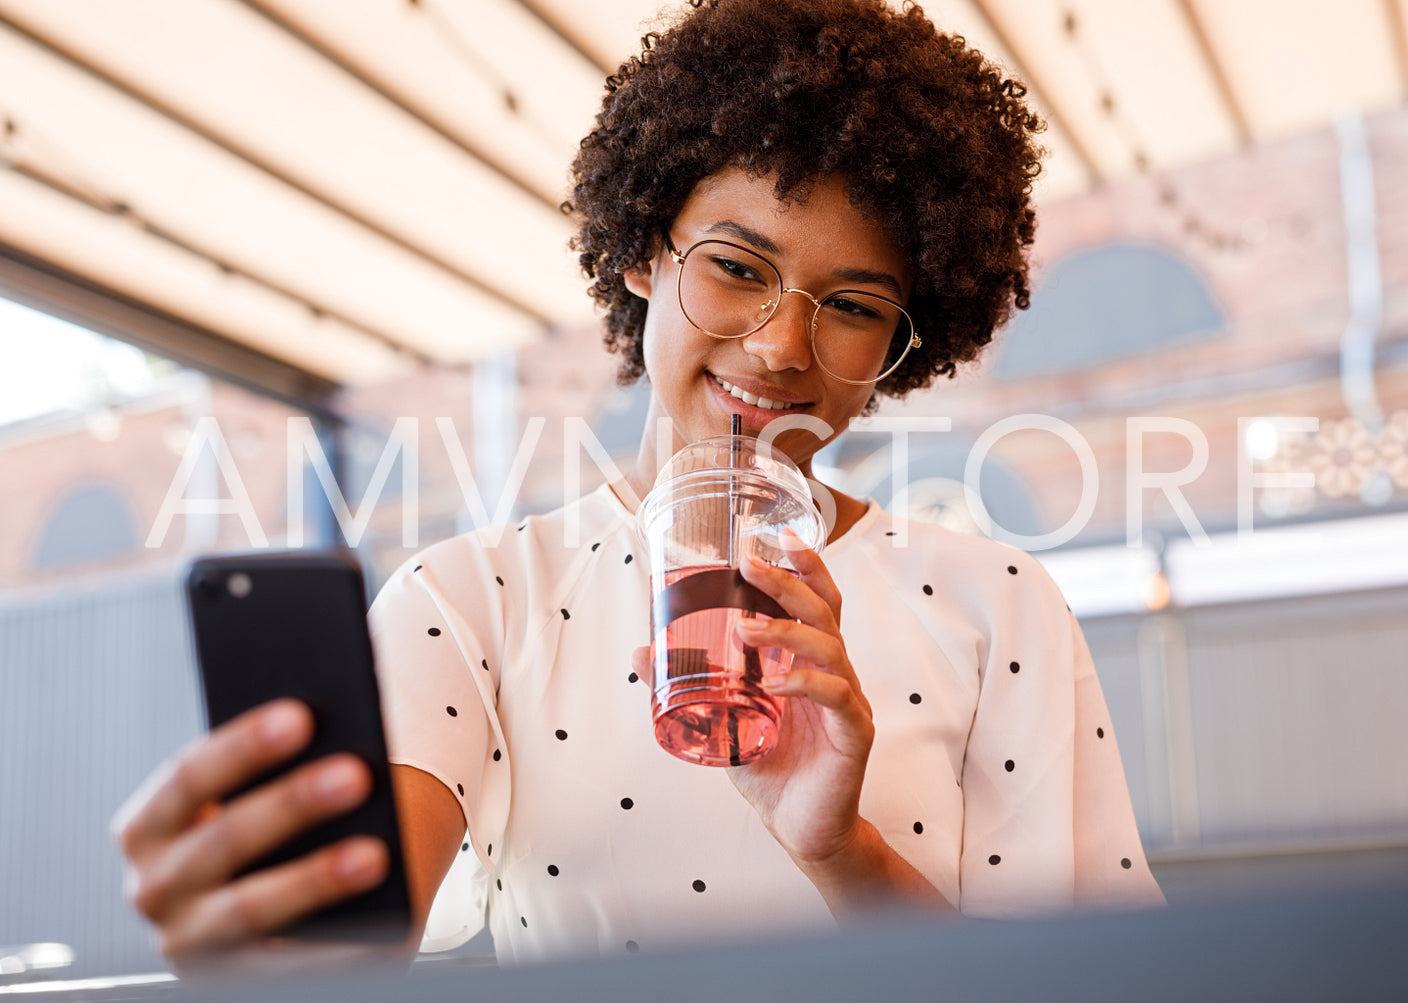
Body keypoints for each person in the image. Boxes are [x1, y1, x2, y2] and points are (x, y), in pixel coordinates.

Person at [113, 0, 1163, 972]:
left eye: (849, 303)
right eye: (737, 267)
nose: (781, 345)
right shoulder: (474, 599)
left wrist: (843, 853)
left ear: (905, 337)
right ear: (641, 254)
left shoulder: (995, 600)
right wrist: (268, 917)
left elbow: (1076, 985)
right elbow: (355, 919)